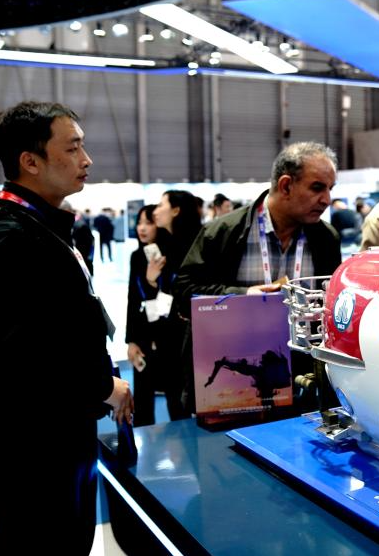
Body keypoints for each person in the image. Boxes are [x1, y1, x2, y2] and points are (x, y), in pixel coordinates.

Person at [0, 101, 132, 556]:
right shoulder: (5, 236)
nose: (86, 159)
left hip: (60, 438)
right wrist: (100, 386)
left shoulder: (39, 228)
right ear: (30, 161)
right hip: (29, 449)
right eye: (72, 148)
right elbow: (11, 357)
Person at [175, 142, 342, 412]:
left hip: (302, 383)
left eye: (330, 189)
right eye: (317, 187)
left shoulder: (325, 238)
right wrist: (243, 298)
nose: (326, 199)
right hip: (235, 386)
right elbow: (184, 291)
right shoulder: (223, 233)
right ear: (286, 186)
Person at [143, 190, 201, 420]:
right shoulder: (163, 247)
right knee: (173, 396)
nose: (156, 211)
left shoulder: (196, 245)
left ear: (176, 210)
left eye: (160, 205)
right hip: (169, 332)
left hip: (191, 333)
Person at [125, 204, 174, 426]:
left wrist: (152, 281)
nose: (142, 228)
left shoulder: (171, 254)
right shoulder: (136, 256)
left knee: (176, 400)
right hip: (144, 332)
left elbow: (168, 300)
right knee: (143, 398)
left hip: (167, 334)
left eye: (148, 222)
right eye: (139, 222)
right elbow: (132, 300)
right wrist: (131, 340)